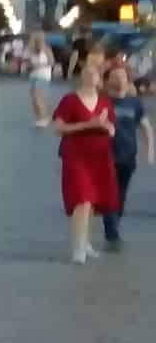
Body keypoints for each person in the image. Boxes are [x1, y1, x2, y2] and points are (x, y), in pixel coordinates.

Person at [52, 56, 118, 264]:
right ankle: (78, 248)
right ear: (81, 77)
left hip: (99, 157)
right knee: (82, 200)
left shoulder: (106, 102)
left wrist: (108, 128)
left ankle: (86, 243)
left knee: (92, 203)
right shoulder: (70, 100)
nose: (90, 77)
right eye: (87, 74)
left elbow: (111, 128)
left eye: (94, 75)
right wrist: (89, 124)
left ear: (100, 80)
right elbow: (58, 128)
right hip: (76, 156)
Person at [100, 63, 151, 251]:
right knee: (109, 192)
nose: (120, 80)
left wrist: (150, 149)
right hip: (105, 156)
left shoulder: (134, 102)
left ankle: (114, 222)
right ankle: (112, 232)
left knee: (121, 194)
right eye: (115, 76)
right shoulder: (101, 102)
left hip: (128, 155)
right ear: (107, 81)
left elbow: (145, 127)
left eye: (123, 76)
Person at [28, 32, 56, 126]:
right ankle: (39, 118)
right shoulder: (32, 50)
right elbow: (29, 63)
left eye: (40, 39)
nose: (38, 41)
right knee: (34, 99)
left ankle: (44, 117)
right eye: (36, 39)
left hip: (43, 75)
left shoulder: (47, 49)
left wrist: (40, 65)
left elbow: (52, 62)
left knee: (38, 97)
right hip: (33, 75)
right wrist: (30, 66)